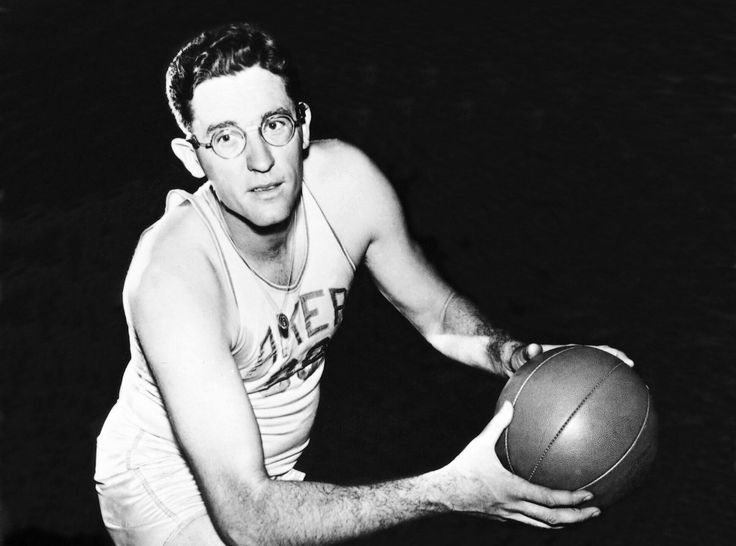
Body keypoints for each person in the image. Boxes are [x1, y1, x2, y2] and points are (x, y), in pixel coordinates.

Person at [94, 21, 633, 546]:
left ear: (302, 127)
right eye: (226, 138)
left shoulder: (349, 188)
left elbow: (438, 314)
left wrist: (512, 355)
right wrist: (450, 490)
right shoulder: (173, 278)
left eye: (273, 124)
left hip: (267, 475)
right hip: (167, 488)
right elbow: (249, 520)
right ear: (192, 158)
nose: (260, 160)